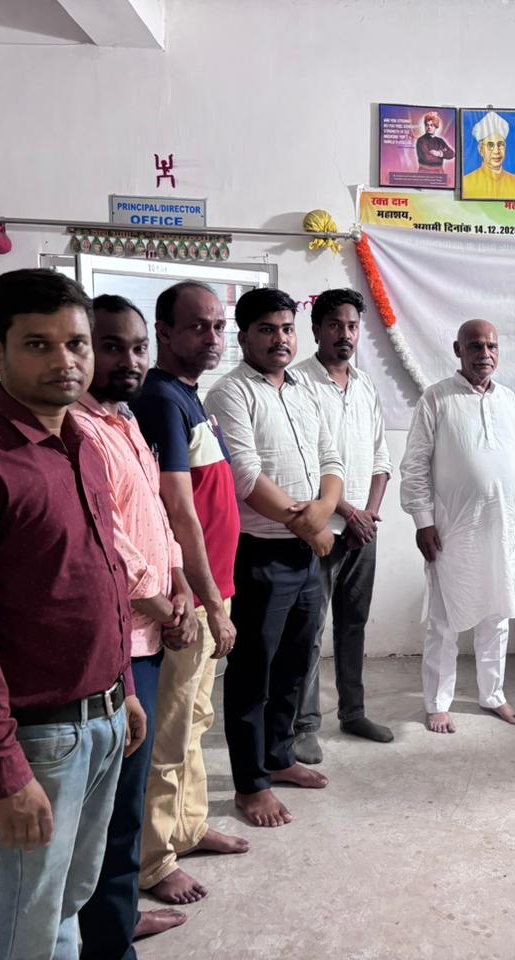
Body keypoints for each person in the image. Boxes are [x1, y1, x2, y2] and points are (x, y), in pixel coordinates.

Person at [0, 268, 145, 959]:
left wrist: (123, 687)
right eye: (38, 345)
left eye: (76, 344)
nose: (64, 361)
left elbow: (99, 577)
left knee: (63, 900)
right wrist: (1, 767)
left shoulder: (81, 445)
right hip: (37, 737)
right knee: (18, 926)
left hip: (102, 720)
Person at [73, 295, 199, 954]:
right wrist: (159, 603)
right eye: (111, 346)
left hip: (151, 630)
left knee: (128, 795)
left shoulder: (124, 420)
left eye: (138, 347)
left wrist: (180, 585)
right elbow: (109, 541)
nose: (130, 360)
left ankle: (115, 918)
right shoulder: (78, 429)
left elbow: (156, 517)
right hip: (117, 645)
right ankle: (106, 938)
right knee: (111, 807)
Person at [206, 287, 343, 828]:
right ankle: (250, 784)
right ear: (243, 337)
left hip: (306, 553)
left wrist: (321, 515)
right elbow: (244, 476)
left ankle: (279, 757)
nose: (280, 339)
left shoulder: (306, 389)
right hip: (259, 553)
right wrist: (312, 527)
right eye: (267, 329)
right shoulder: (230, 393)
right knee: (252, 673)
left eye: (287, 328)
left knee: (295, 664)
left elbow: (332, 459)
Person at [133, 281, 249, 905]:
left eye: (218, 326)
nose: (212, 337)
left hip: (215, 590)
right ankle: (153, 860)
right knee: (171, 729)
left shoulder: (189, 396)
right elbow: (179, 509)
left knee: (196, 719)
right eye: (198, 326)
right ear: (165, 332)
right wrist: (209, 602)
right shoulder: (160, 399)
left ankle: (188, 827)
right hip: (194, 599)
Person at [400, 319, 515, 733]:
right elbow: (415, 465)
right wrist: (423, 522)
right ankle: (438, 702)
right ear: (458, 350)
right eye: (475, 346)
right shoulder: (436, 398)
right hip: (452, 530)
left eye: (492, 346)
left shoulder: (508, 400)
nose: (485, 354)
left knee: (497, 615)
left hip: (503, 528)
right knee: (444, 621)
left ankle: (492, 695)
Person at [292, 288, 395, 763]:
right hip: (320, 531)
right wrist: (346, 514)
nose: (345, 334)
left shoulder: (366, 385)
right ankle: (303, 725)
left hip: (361, 532)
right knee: (310, 629)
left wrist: (367, 515)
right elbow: (307, 463)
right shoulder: (298, 383)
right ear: (317, 329)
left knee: (353, 625)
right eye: (335, 325)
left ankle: (353, 713)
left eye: (352, 326)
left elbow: (381, 457)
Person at [461, 110, 515, 200]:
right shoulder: (466, 183)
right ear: (481, 150)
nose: (496, 151)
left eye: (500, 144)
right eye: (490, 145)